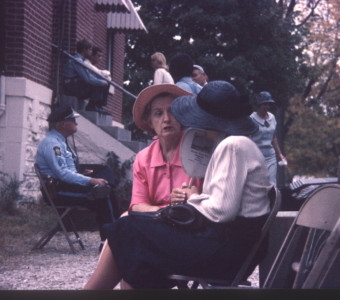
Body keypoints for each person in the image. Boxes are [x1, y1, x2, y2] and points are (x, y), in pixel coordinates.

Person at [84, 81, 272, 289]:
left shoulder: (232, 145)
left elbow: (221, 211)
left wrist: (191, 197)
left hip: (228, 253)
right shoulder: (232, 144)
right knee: (130, 236)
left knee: (127, 229)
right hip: (227, 246)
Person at [35, 105, 118, 244]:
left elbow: (68, 170)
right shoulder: (52, 144)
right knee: (106, 195)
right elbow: (62, 174)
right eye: (72, 120)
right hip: (57, 192)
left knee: (104, 169)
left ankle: (102, 189)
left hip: (65, 185)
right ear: (62, 124)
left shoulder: (61, 140)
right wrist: (91, 180)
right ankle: (111, 241)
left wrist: (82, 175)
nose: (76, 122)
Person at [129, 83, 203, 212]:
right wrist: (166, 211)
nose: (166, 119)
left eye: (172, 112)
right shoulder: (143, 158)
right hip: (155, 220)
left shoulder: (198, 151)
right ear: (150, 122)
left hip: (191, 220)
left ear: (182, 117)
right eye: (158, 113)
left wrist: (193, 197)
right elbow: (137, 205)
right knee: (121, 222)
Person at [62, 39, 109, 113]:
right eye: (90, 49)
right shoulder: (77, 61)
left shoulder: (81, 60)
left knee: (99, 80)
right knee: (98, 81)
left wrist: (102, 81)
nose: (91, 52)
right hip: (70, 87)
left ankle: (98, 105)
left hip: (74, 85)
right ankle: (92, 106)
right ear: (84, 50)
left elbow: (88, 76)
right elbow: (88, 78)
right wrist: (102, 82)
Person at [250, 91, 287, 185]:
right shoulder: (251, 119)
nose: (267, 107)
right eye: (265, 104)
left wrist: (280, 154)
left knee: (272, 183)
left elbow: (273, 137)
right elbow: (248, 140)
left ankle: (273, 199)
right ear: (259, 104)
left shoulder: (272, 118)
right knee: (259, 183)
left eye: (269, 104)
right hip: (256, 155)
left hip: (270, 155)